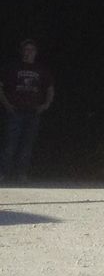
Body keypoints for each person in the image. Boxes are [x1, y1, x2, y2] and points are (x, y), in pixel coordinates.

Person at [1, 39, 56, 182]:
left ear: (36, 53)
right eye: (26, 49)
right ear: (22, 52)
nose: (28, 52)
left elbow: (49, 88)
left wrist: (46, 104)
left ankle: (21, 175)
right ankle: (4, 174)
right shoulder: (13, 68)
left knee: (27, 145)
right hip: (15, 111)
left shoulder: (41, 70)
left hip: (33, 112)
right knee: (10, 144)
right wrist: (6, 104)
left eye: (31, 50)